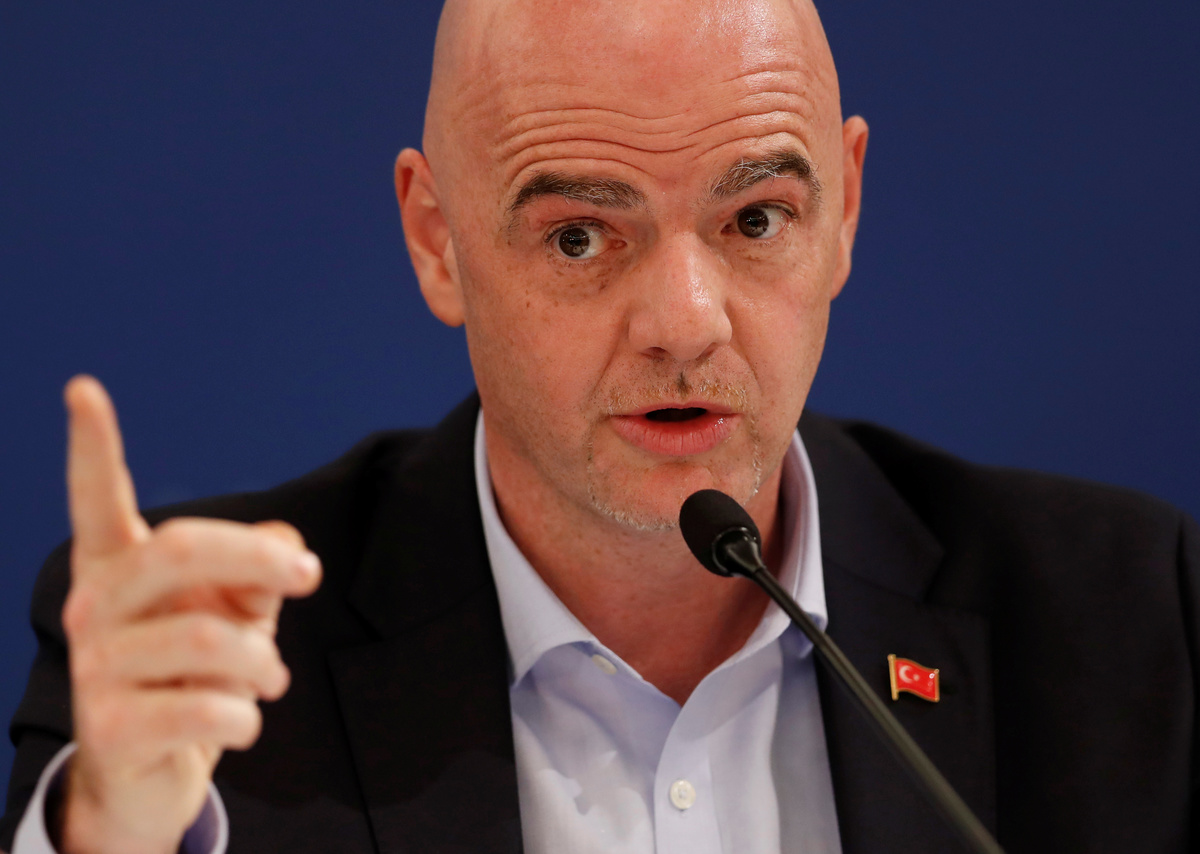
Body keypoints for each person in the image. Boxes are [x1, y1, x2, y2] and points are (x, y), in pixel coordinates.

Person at [2, 0, 1196, 852]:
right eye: (581, 235)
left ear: (843, 208)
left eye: (756, 219)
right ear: (436, 239)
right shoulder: (210, 670)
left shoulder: (1131, 618)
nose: (686, 323)